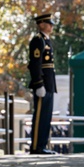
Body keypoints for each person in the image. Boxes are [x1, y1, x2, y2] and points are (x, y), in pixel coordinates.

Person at [27, 12, 57, 155]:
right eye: (48, 23)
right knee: (39, 117)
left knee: (46, 116)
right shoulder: (38, 40)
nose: (51, 26)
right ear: (41, 24)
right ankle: (36, 147)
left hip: (49, 83)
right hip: (43, 83)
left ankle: (42, 145)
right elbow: (35, 64)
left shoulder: (46, 40)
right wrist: (38, 83)